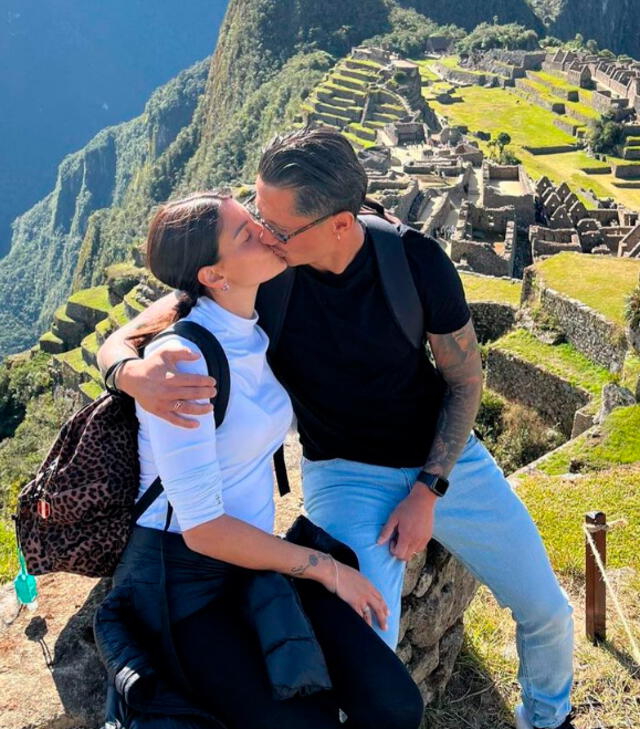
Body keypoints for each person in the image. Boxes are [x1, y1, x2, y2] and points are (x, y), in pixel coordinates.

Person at [98, 128, 575, 729]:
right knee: (371, 643)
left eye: (276, 224)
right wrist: (130, 374)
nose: (264, 233)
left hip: (445, 461)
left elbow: (464, 381)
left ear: (340, 225)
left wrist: (427, 490)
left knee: (549, 611)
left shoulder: (413, 262)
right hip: (343, 471)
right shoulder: (264, 276)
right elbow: (137, 330)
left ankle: (549, 718)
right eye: (255, 215)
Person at [95, 190, 424, 729]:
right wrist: (328, 571)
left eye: (256, 219)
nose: (266, 232)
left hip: (252, 562)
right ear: (213, 275)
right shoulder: (182, 362)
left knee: (394, 704)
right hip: (186, 582)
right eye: (246, 233)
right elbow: (201, 530)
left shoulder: (252, 321)